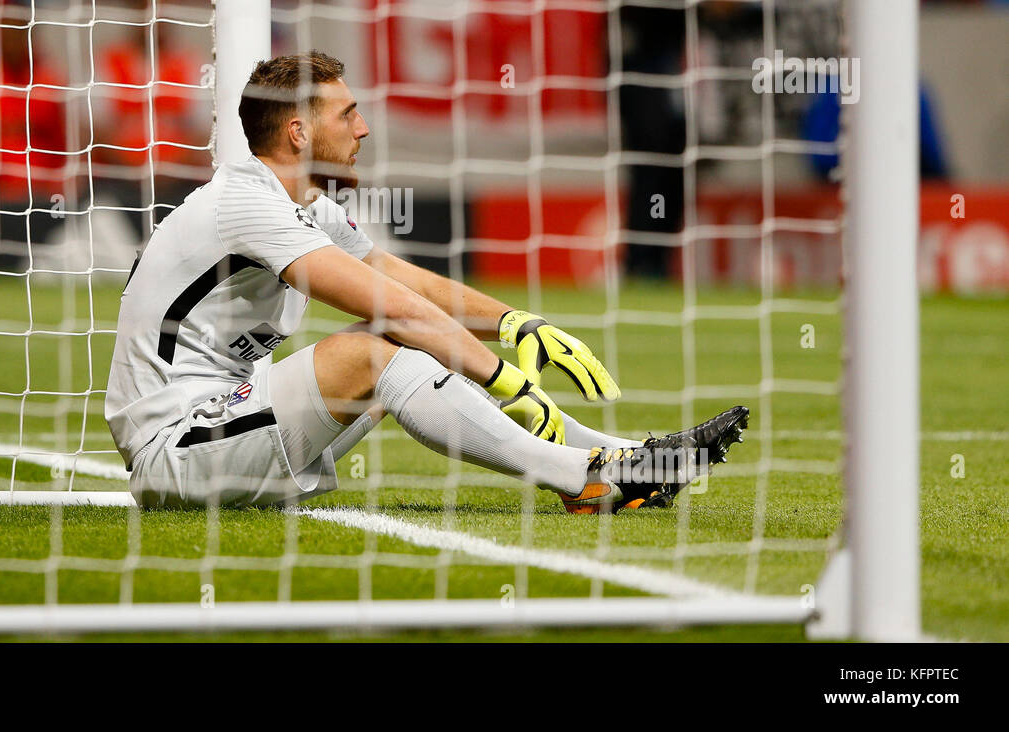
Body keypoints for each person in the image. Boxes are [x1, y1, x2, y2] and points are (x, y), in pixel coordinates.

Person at [105, 52, 747, 513]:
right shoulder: (245, 203)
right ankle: (585, 476)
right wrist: (506, 380)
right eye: (347, 114)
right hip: (179, 445)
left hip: (233, 417)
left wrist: (515, 323)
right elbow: (396, 309)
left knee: (396, 340)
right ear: (299, 132)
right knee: (377, 346)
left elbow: (393, 275)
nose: (362, 129)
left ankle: (629, 456)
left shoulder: (306, 204)